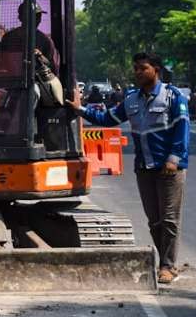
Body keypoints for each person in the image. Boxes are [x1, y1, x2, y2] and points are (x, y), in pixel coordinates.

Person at [70, 52, 189, 284]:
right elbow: (108, 118)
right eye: (135, 68)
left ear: (156, 69)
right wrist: (81, 110)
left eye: (142, 68)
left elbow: (182, 130)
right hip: (144, 167)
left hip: (169, 169)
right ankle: (164, 260)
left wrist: (173, 159)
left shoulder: (173, 97)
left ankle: (167, 266)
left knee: (170, 219)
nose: (137, 72)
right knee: (154, 220)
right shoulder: (131, 99)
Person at [0, 0, 61, 74]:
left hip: (37, 82)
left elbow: (53, 68)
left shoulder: (45, 40)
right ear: (20, 17)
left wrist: (40, 57)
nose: (38, 19)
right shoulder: (8, 38)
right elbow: (0, 62)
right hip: (11, 81)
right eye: (34, 16)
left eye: (39, 16)